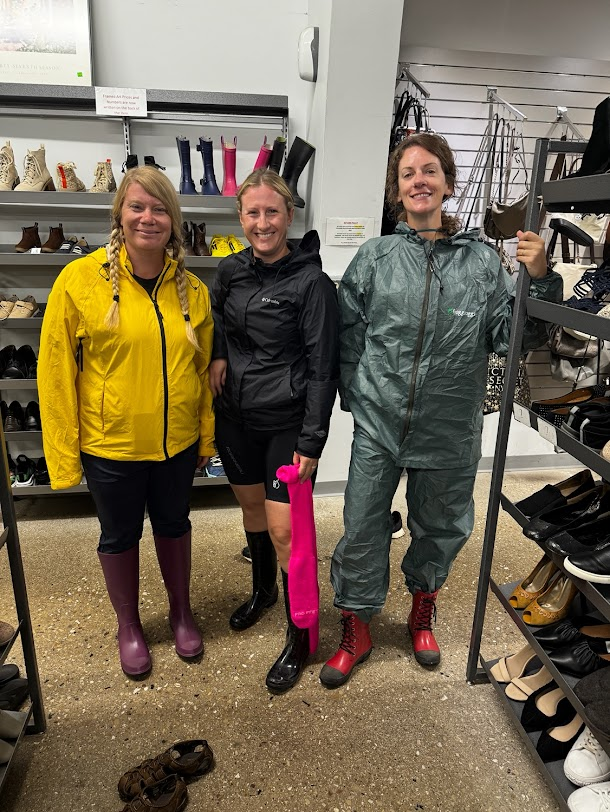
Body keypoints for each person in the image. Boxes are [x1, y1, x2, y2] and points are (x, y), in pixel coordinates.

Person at [319, 132, 563, 688]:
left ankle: (421, 609)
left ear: (448, 184)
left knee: (441, 528)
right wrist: (361, 397)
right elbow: (348, 334)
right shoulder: (376, 257)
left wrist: (542, 277)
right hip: (380, 427)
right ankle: (356, 624)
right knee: (361, 526)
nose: (419, 181)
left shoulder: (481, 264)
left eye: (429, 171)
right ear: (396, 190)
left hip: (450, 429)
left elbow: (514, 336)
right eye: (408, 174)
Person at [38, 166, 215, 679]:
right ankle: (129, 625)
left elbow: (201, 373)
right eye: (138, 206)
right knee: (118, 535)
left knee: (175, 524)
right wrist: (64, 459)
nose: (148, 217)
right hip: (110, 444)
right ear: (119, 212)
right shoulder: (80, 281)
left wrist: (204, 436)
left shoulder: (193, 290)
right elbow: (54, 373)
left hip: (175, 443)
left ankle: (180, 612)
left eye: (160, 208)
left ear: (173, 221)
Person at [209, 168, 339, 694]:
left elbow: (323, 366)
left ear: (289, 216)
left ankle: (301, 634)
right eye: (252, 212)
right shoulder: (230, 271)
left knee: (288, 533)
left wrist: (312, 441)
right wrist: (219, 353)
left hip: (287, 423)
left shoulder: (312, 283)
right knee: (252, 513)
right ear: (240, 217)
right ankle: (264, 590)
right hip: (236, 418)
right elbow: (219, 320)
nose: (262, 222)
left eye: (272, 212)